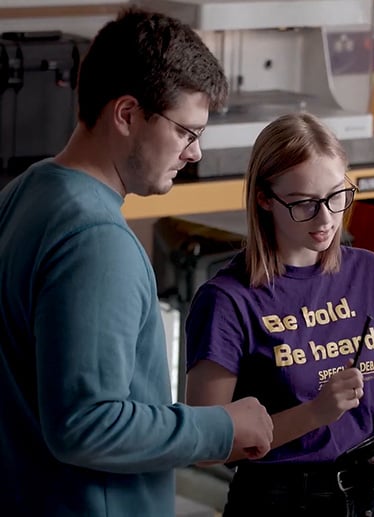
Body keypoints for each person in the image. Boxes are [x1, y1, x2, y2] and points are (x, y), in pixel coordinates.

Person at [0, 8, 275, 516]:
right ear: (127, 114)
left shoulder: (27, 190)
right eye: (186, 132)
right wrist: (222, 428)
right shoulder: (97, 241)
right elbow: (86, 425)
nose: (194, 153)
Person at [184, 112, 374, 516]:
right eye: (305, 204)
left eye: (337, 196)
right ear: (265, 198)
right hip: (277, 501)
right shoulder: (227, 301)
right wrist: (315, 414)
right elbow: (204, 446)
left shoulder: (370, 273)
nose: (326, 220)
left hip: (366, 494)